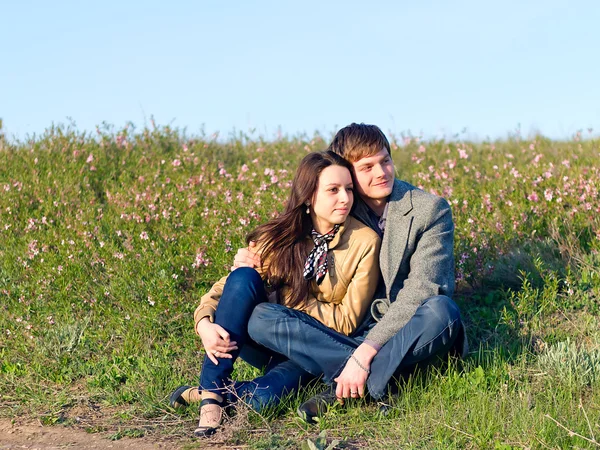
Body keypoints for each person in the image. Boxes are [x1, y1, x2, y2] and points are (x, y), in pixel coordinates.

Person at [238, 123, 468, 423]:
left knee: (442, 310)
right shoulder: (339, 201)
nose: (381, 172)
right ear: (347, 172)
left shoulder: (429, 210)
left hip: (405, 329)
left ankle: (337, 383)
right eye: (367, 166)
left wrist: (365, 353)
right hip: (343, 326)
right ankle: (374, 382)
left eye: (385, 160)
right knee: (260, 318)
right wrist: (242, 267)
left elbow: (422, 290)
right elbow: (288, 244)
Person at [184, 150, 381, 437]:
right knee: (244, 276)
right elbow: (226, 290)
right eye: (333, 190)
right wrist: (204, 324)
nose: (345, 198)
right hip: (263, 341)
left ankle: (200, 392)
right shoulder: (278, 236)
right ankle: (212, 394)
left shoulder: (365, 242)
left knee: (264, 399)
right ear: (309, 195)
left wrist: (283, 301)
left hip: (311, 349)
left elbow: (346, 322)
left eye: (349, 189)